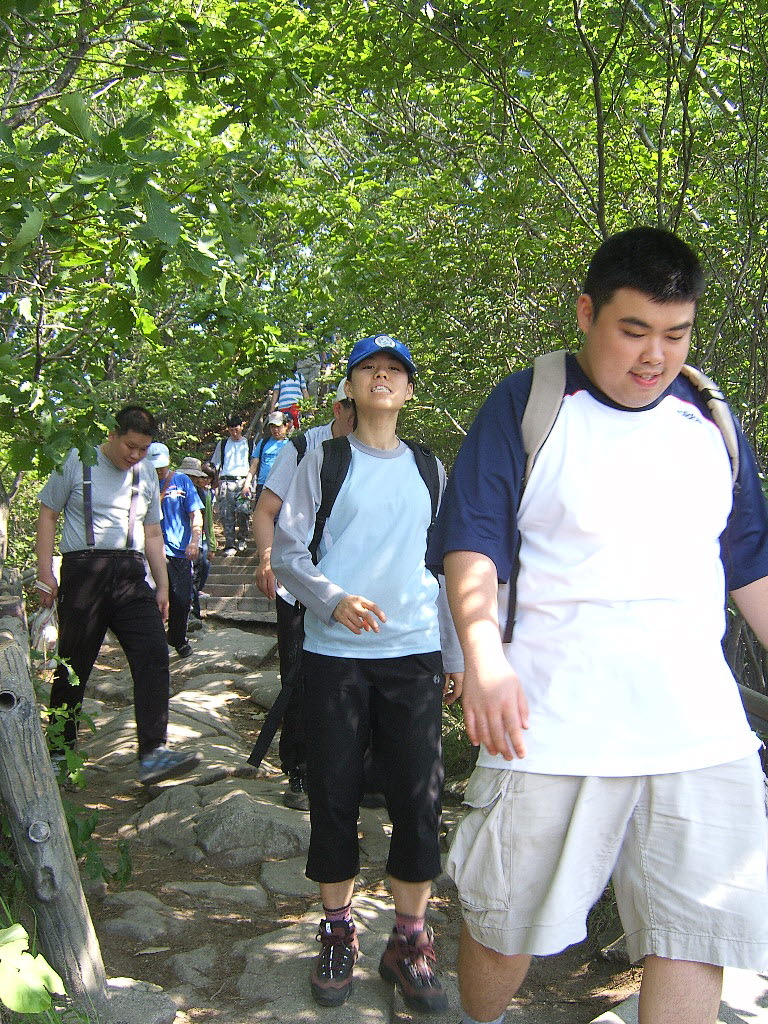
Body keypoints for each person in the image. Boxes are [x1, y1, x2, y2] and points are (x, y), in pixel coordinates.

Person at [426, 226, 768, 1024]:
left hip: (698, 732)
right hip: (551, 721)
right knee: (502, 924)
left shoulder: (709, 418)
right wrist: (484, 659)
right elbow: (473, 543)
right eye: (634, 330)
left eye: (675, 335)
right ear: (588, 313)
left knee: (693, 937)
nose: (655, 356)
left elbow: (749, 561)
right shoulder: (532, 402)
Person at [271, 334, 463, 1013]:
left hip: (411, 655)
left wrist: (455, 654)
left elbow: (444, 571)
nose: (382, 378)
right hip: (335, 657)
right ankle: (337, 931)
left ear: (410, 391)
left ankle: (408, 942)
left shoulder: (432, 470)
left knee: (419, 800)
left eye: (395, 371)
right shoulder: (323, 459)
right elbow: (288, 551)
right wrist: (333, 599)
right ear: (349, 388)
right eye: (368, 369)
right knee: (335, 795)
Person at [35, 405, 200, 785]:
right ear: (112, 434)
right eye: (130, 446)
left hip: (130, 574)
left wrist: (162, 586)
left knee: (155, 653)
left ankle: (153, 754)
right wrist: (46, 573)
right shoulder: (77, 457)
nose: (136, 456)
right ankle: (60, 749)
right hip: (84, 572)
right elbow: (47, 514)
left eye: (143, 449)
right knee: (74, 665)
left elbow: (154, 533)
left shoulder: (144, 473)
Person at [252, 379, 356, 810]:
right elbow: (266, 510)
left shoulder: (386, 453)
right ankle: (299, 770)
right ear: (339, 409)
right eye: (354, 412)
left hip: (353, 591)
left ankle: (354, 770)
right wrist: (265, 558)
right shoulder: (301, 449)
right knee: (299, 675)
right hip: (300, 586)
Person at [148, 444, 204, 659]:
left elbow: (195, 514)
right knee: (152, 599)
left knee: (181, 599)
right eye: (154, 467)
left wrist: (194, 541)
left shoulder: (182, 481)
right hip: (150, 551)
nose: (158, 471)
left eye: (161, 466)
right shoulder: (141, 481)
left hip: (178, 551)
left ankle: (178, 637)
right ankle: (154, 643)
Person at [211, 412, 251, 555]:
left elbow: (253, 465)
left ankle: (242, 538)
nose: (234, 432)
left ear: (242, 427)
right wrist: (214, 484)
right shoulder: (223, 444)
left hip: (243, 481)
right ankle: (229, 544)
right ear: (228, 429)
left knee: (243, 511)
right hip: (226, 481)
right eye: (231, 429)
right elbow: (215, 464)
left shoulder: (249, 443)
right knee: (226, 514)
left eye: (237, 428)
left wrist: (249, 483)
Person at [185, 458, 217, 628]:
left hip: (199, 539)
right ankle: (190, 613)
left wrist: (211, 544)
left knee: (201, 568)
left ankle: (193, 611)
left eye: (195, 476)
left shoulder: (203, 494)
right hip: (181, 539)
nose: (193, 479)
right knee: (190, 575)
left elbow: (208, 520)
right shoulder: (174, 489)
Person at [242, 412, 290, 505]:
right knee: (261, 516)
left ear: (285, 426)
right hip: (263, 485)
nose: (275, 430)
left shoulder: (290, 444)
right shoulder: (263, 443)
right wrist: (246, 485)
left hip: (283, 486)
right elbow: (254, 466)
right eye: (272, 426)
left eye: (278, 426)